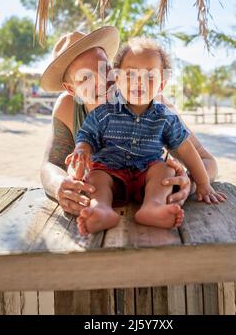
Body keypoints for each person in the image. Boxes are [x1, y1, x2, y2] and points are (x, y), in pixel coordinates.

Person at [40, 27, 225, 217]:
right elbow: (50, 165)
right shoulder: (67, 107)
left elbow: (207, 160)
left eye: (105, 68)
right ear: (70, 89)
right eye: (86, 77)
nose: (103, 80)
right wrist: (60, 186)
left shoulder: (153, 105)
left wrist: (189, 183)